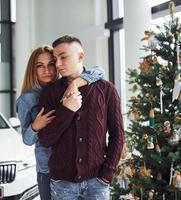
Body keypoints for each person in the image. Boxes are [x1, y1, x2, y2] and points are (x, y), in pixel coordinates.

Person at [37, 35, 124, 200]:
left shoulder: (106, 90)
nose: (58, 64)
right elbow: (45, 139)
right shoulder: (50, 93)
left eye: (63, 57)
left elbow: (117, 134)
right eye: (56, 59)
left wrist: (107, 173)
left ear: (80, 56)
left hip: (97, 182)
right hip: (62, 184)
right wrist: (67, 110)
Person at [15, 45, 104, 200]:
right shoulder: (26, 99)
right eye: (40, 66)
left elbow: (99, 71)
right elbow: (26, 140)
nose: (47, 70)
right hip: (47, 169)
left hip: (71, 166)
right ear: (33, 69)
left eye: (51, 64)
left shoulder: (64, 87)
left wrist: (75, 83)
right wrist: (36, 126)